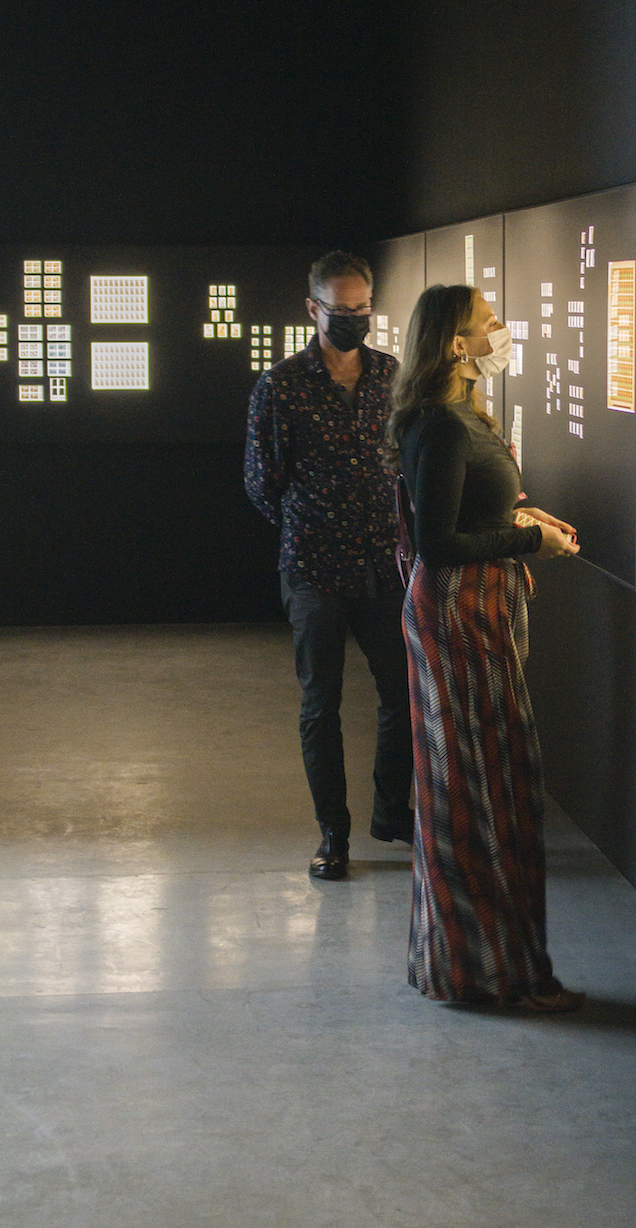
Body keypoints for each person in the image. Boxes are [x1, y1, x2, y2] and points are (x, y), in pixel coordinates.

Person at [387, 283, 584, 1012]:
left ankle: (482, 966)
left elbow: (466, 511)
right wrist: (528, 540)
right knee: (480, 794)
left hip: (479, 615)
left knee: (488, 787)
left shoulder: (461, 418)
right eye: (488, 323)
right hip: (461, 616)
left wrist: (520, 514)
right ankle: (490, 974)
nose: (501, 332)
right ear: (456, 344)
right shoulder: (441, 425)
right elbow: (439, 544)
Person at [245, 251, 413, 879]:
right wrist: (311, 527)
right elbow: (262, 483)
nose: (353, 321)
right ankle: (332, 835)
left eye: (362, 310)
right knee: (323, 705)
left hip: (382, 566)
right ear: (313, 309)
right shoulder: (281, 385)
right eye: (341, 312)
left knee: (399, 693)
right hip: (314, 569)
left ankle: (392, 813)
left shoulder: (392, 376)